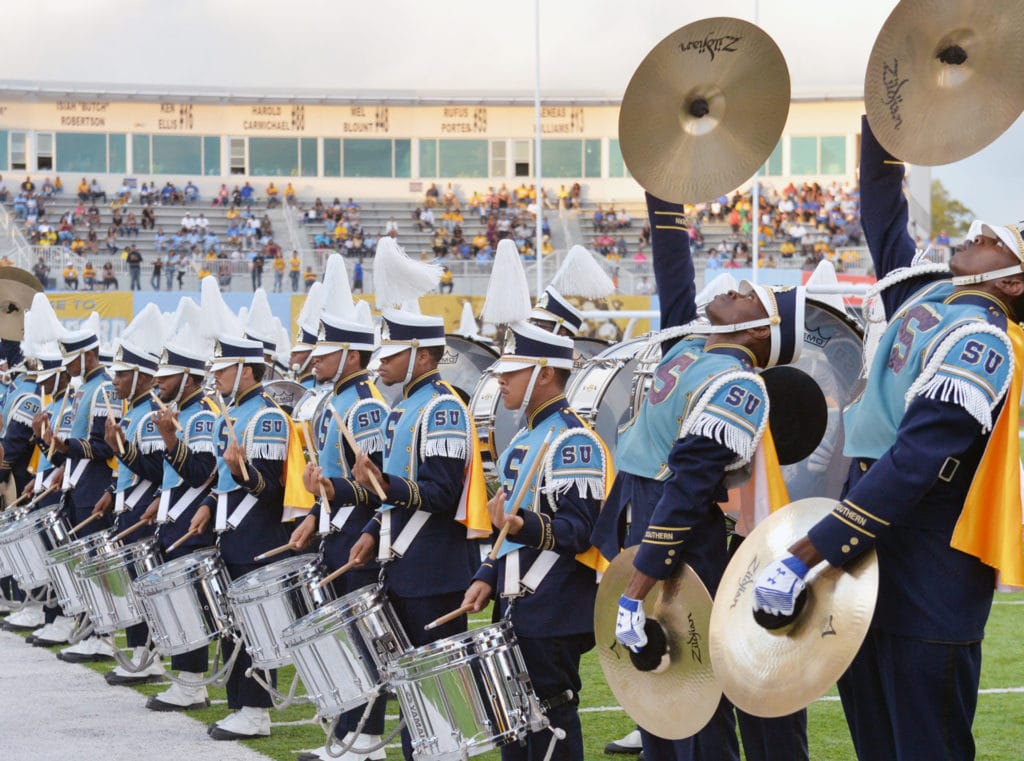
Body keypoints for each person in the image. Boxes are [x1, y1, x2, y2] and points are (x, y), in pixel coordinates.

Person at [752, 118, 1024, 761]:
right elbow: (881, 204)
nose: (975, 234)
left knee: (926, 747)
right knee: (877, 744)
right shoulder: (924, 289)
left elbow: (915, 462)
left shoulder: (984, 342)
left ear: (1012, 283)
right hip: (869, 558)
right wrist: (887, 111)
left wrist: (806, 554)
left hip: (926, 570)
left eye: (993, 240)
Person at [592, 193, 809, 761]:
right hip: (644, 526)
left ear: (760, 331)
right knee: (662, 702)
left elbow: (687, 491)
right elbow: (675, 277)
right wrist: (664, 186)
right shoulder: (692, 343)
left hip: (680, 547)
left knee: (696, 708)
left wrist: (634, 591)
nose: (731, 290)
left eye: (746, 297)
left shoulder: (736, 385)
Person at [461, 321, 607, 761]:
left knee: (551, 722)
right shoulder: (526, 435)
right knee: (515, 726)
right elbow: (510, 532)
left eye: (514, 370)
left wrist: (522, 523)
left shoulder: (573, 439)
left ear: (545, 373)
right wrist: (487, 573)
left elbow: (580, 531)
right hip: (516, 601)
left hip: (554, 606)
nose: (501, 379)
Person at [347, 309, 487, 761]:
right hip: (403, 563)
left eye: (391, 355)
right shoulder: (405, 405)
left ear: (422, 356)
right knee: (410, 683)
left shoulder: (443, 406)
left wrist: (381, 485)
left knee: (438, 687)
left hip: (435, 568)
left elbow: (442, 493)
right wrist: (372, 527)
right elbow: (399, 488)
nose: (379, 363)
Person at [289, 313, 391, 761]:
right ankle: (349, 733)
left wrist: (338, 501)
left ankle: (367, 739)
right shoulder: (337, 400)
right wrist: (315, 511)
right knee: (345, 638)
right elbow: (333, 478)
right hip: (336, 528)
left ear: (351, 356)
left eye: (325, 354)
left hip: (358, 535)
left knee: (364, 638)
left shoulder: (366, 407)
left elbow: (379, 486)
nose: (315, 361)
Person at [189, 328, 295, 741]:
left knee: (254, 626)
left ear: (247, 370)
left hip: (258, 537)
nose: (216, 375)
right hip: (231, 533)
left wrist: (242, 473)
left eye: (225, 368)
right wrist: (208, 504)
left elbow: (273, 490)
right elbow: (226, 481)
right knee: (234, 624)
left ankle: (255, 710)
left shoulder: (267, 415)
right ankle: (240, 706)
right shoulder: (231, 412)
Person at [145, 320, 218, 712]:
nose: (160, 383)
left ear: (187, 378)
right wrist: (162, 497)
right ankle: (187, 681)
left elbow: (200, 473)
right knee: (178, 602)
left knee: (190, 603)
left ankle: (192, 684)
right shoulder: (181, 411)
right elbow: (176, 476)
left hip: (195, 521)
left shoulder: (202, 415)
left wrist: (171, 441)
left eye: (168, 377)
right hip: (177, 515)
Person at [100, 317, 166, 685]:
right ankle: (142, 652)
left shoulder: (150, 413)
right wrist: (112, 493)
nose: (116, 381)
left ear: (141, 376)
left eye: (123, 374)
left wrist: (120, 451)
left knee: (143, 585)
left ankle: (150, 656)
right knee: (133, 585)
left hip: (145, 510)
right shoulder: (134, 410)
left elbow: (157, 470)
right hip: (128, 506)